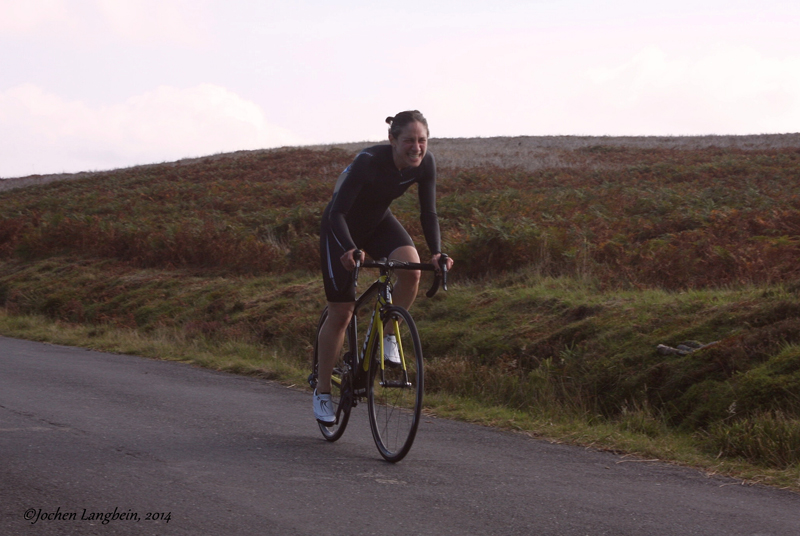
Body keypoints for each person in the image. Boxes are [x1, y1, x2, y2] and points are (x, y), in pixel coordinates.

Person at [314, 110, 454, 425]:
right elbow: (337, 212)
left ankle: (388, 333)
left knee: (413, 270)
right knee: (341, 313)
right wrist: (350, 248)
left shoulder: (425, 164)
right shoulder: (368, 162)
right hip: (341, 229)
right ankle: (323, 391)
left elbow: (428, 213)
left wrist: (437, 252)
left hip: (378, 224)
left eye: (422, 140)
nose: (416, 147)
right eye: (409, 140)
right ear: (392, 140)